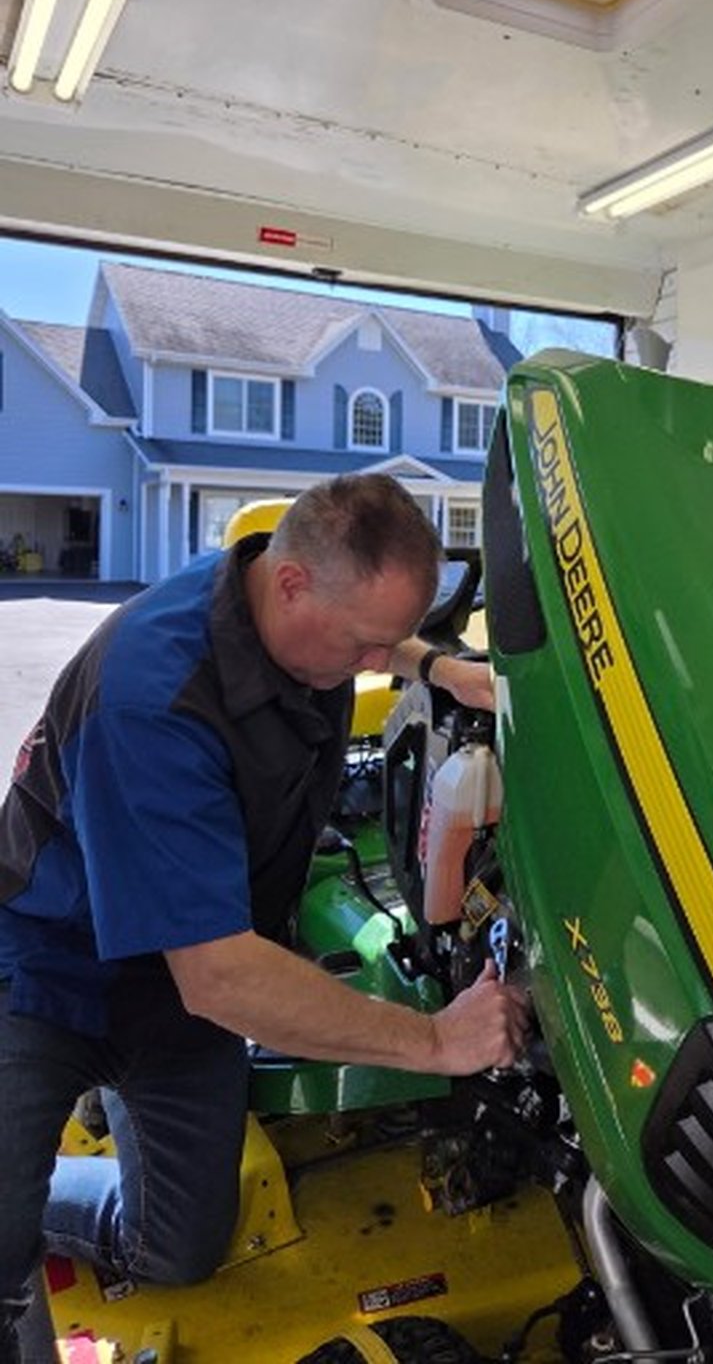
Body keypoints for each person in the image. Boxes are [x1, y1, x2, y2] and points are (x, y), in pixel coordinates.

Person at [0, 474, 527, 1362]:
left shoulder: (285, 604)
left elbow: (371, 634)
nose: (372, 659)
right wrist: (436, 1041)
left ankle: (61, 1186)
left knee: (178, 1251)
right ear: (291, 586)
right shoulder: (152, 699)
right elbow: (221, 977)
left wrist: (435, 666)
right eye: (365, 643)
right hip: (49, 971)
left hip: (177, 996)